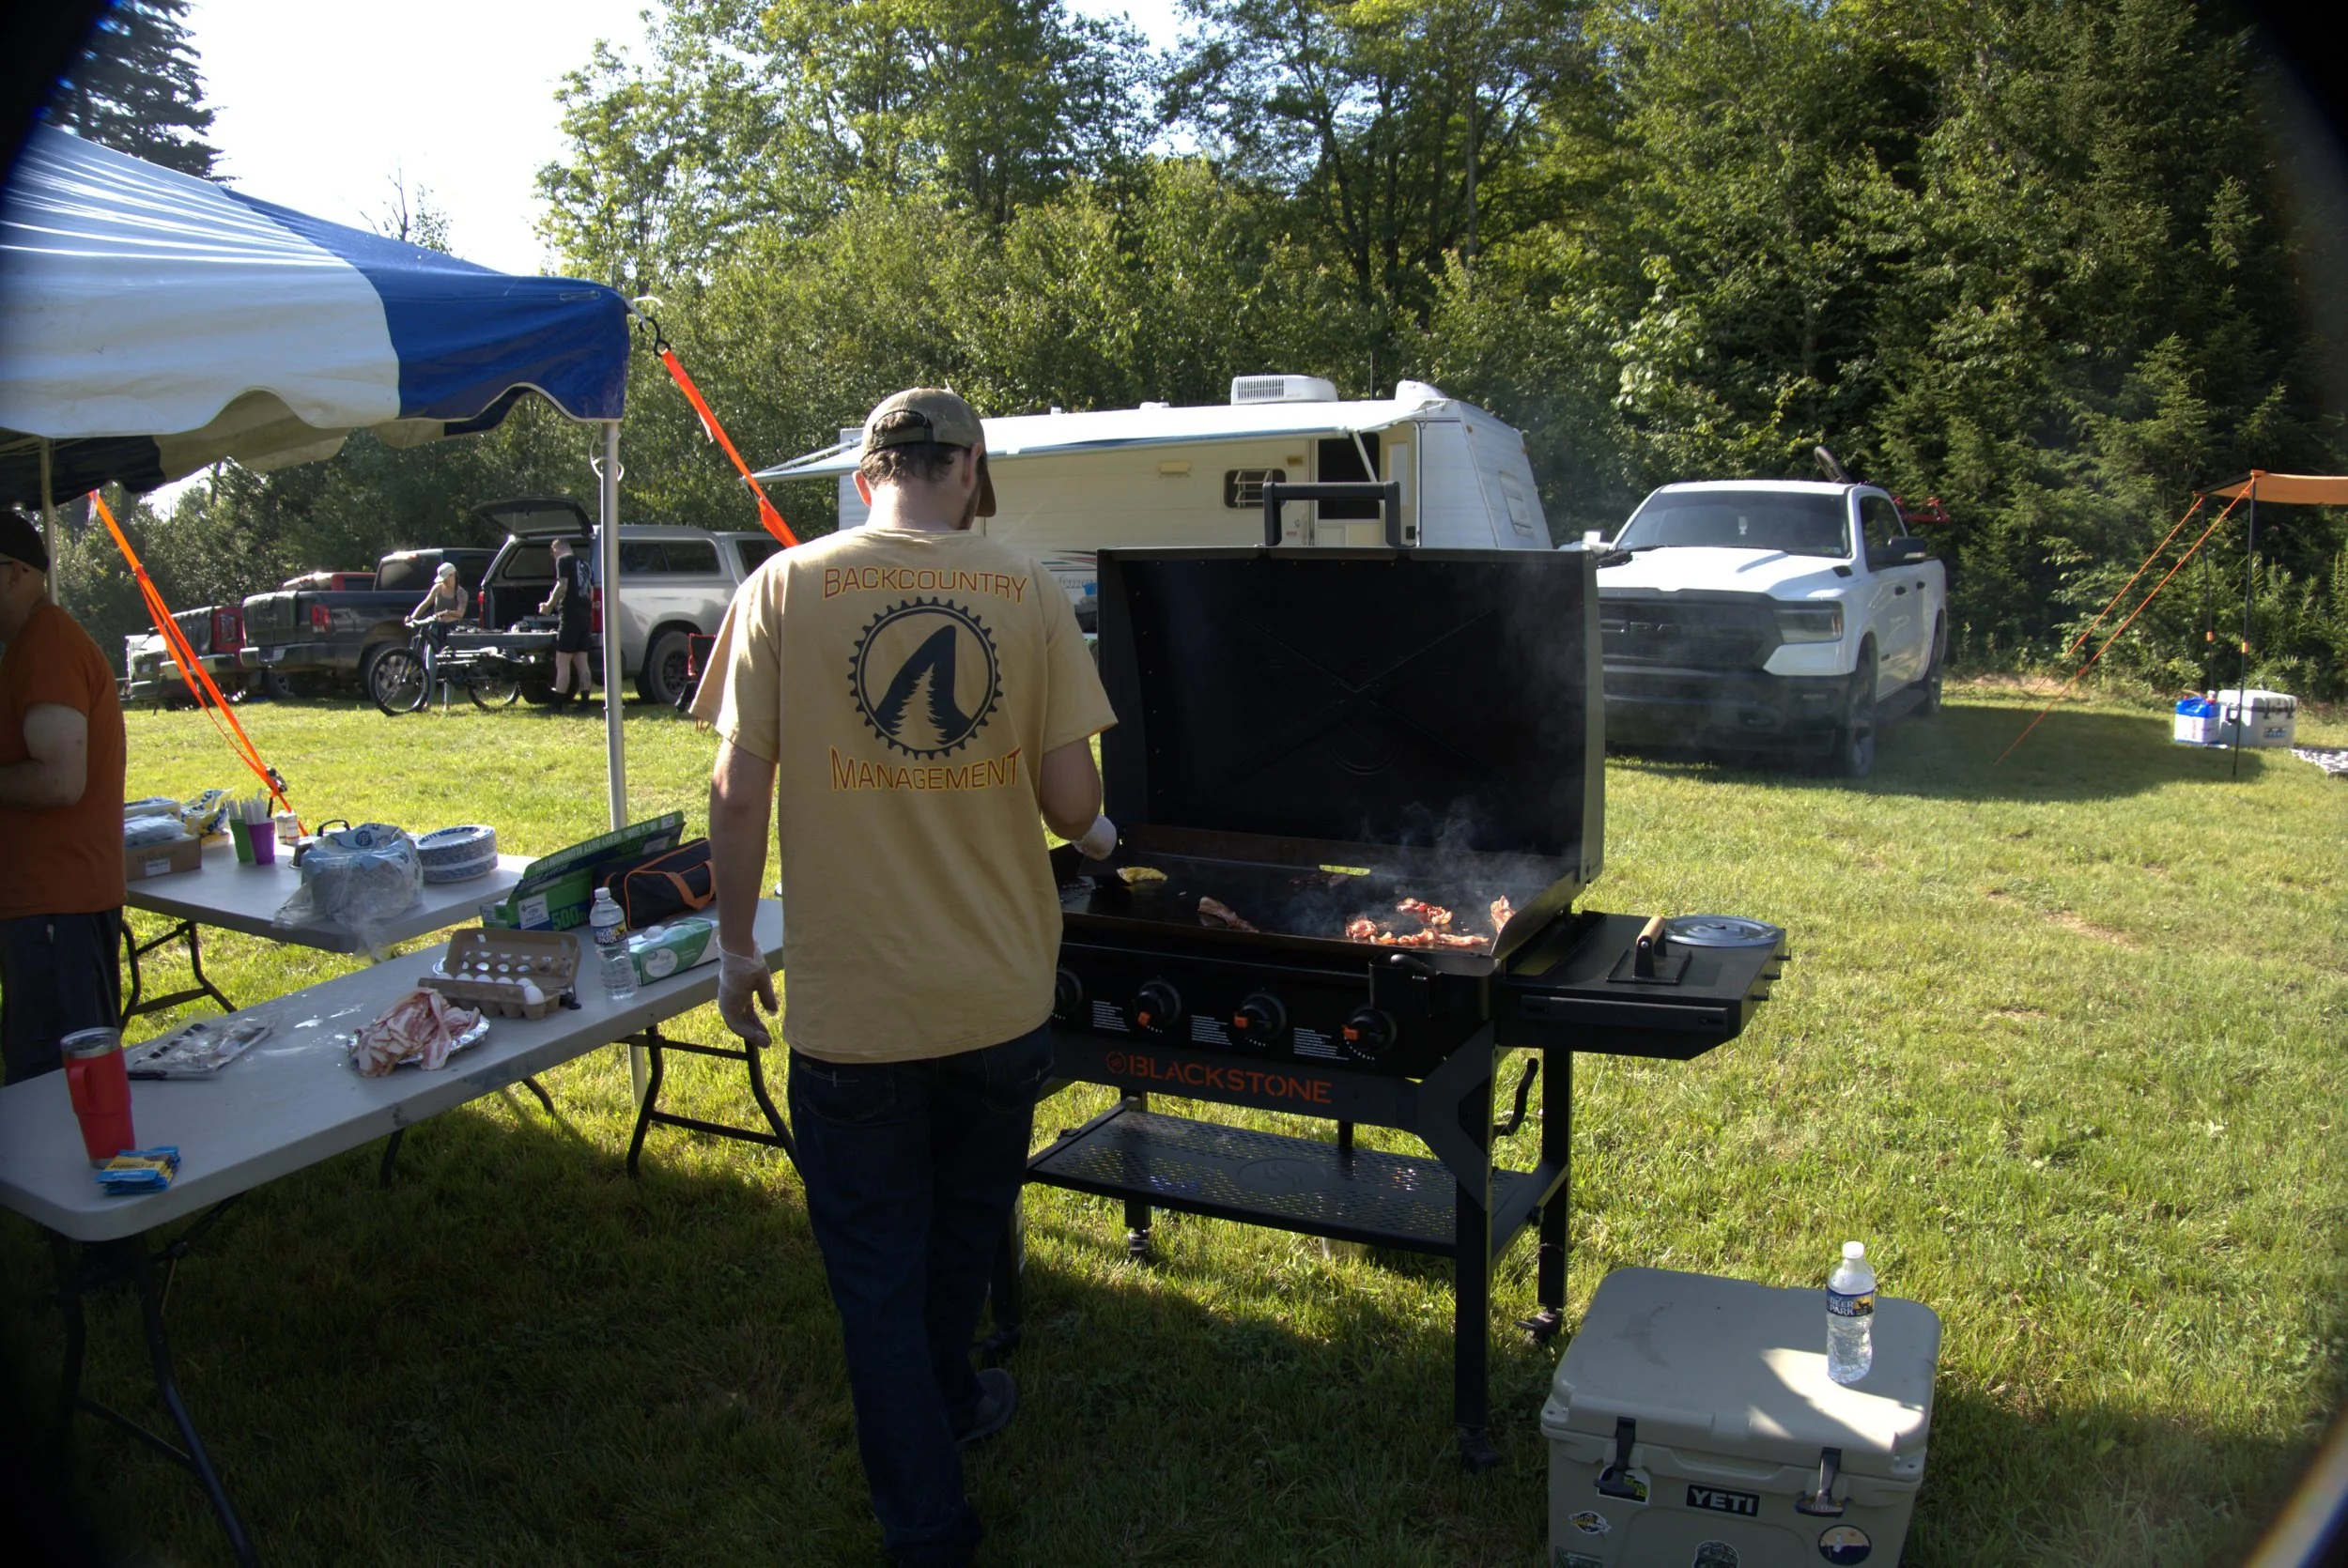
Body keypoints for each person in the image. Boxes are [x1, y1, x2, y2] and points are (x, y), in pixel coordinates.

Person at [696, 389, 1118, 1568]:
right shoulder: (1027, 590)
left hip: (856, 1008)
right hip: (998, 996)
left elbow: (737, 793)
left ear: (866, 468)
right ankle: (951, 1428)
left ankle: (928, 1520)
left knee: (879, 1273)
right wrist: (1094, 838)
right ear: (970, 470)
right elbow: (1071, 803)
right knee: (960, 1235)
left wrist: (736, 950)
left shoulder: (785, 583)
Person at [0, 509, 127, 1084]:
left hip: (58, 903)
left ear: (13, 574)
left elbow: (59, 780)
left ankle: (102, 1175)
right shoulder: (30, 644)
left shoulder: (46, 645)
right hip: (48, 901)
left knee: (59, 1078)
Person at [539, 535, 595, 710]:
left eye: (553, 554)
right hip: (585, 616)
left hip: (570, 616)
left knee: (562, 661)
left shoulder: (563, 560)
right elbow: (591, 593)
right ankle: (584, 702)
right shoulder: (585, 564)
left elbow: (562, 585)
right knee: (582, 662)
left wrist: (548, 606)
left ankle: (557, 705)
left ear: (557, 549)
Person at [407, 561, 467, 688]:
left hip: (451, 630)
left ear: (453, 575)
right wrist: (412, 617)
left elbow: (460, 613)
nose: (444, 581)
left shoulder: (461, 593)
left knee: (450, 666)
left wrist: (448, 612)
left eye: (446, 578)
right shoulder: (438, 588)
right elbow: (425, 603)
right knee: (430, 665)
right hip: (436, 628)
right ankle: (427, 701)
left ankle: (447, 703)